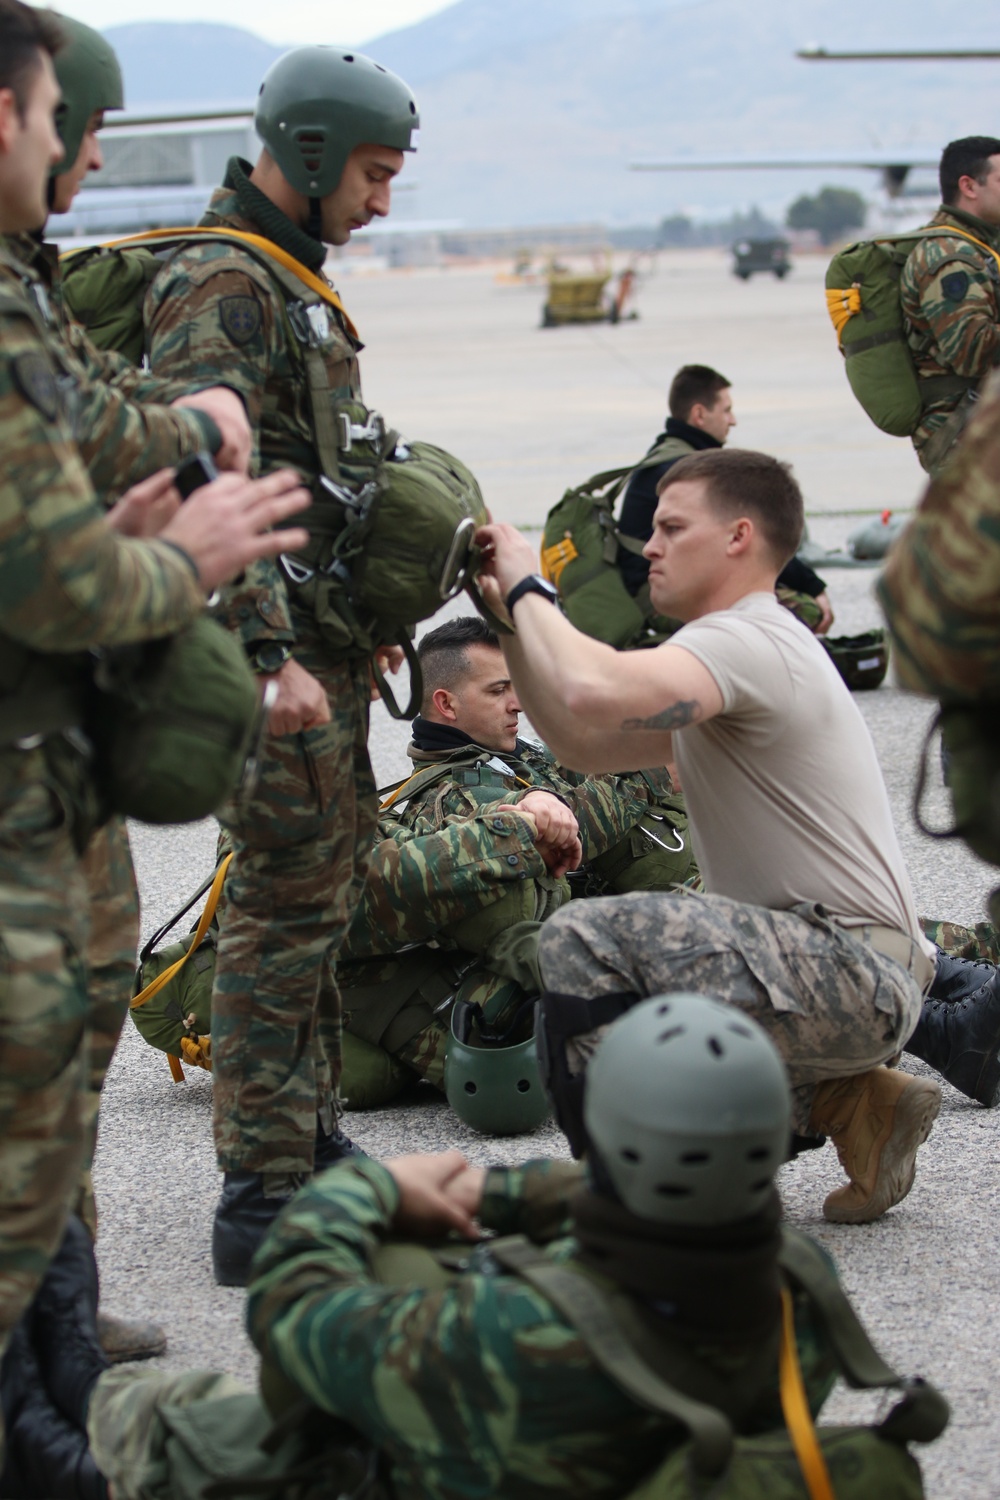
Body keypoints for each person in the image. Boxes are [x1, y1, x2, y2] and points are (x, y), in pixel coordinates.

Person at [7, 996, 946, 1499]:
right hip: (625, 1451)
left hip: (477, 1432)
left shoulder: (497, 1336)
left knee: (215, 1424)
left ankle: (65, 1431)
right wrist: (501, 1192)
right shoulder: (800, 1285)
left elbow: (287, 1304)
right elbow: (632, 1213)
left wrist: (373, 1190)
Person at [123, 45, 422, 1286]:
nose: (382, 200)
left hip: (321, 648)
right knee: (275, 915)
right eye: (371, 172)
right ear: (306, 152)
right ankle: (257, 1193)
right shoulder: (223, 281)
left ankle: (307, 1140)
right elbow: (203, 470)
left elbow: (313, 473)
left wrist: (364, 610)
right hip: (271, 663)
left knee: (318, 898)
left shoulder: (285, 277)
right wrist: (257, 656)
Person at [476, 447, 943, 1225]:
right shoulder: (738, 658)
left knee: (583, 941)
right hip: (854, 976)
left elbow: (591, 684)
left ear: (739, 537)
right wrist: (506, 619)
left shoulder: (748, 638)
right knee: (651, 968)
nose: (649, 545)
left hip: (847, 972)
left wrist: (530, 585)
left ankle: (622, 1208)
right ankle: (855, 1101)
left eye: (670, 526)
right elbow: (580, 742)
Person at [3, 11, 254, 1363]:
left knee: (67, 1035)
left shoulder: (23, 285)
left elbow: (86, 419)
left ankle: (53, 1324)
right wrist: (181, 561)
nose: (84, 161)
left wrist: (186, 434)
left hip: (47, 759)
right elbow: (53, 583)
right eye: (69, 130)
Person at [392, 615, 696, 892]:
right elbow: (559, 834)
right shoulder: (452, 794)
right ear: (446, 705)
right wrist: (651, 776)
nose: (517, 704)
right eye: (498, 691)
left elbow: (578, 767)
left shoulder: (502, 752)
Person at [615, 364, 833, 632]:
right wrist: (813, 587)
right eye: (726, 410)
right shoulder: (692, 474)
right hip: (654, 597)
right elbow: (757, 540)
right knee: (804, 609)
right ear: (699, 414)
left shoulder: (669, 454)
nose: (733, 420)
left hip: (654, 584)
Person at [900, 135, 1000, 474]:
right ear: (969, 186)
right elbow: (971, 350)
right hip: (964, 433)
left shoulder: (979, 248)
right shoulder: (949, 256)